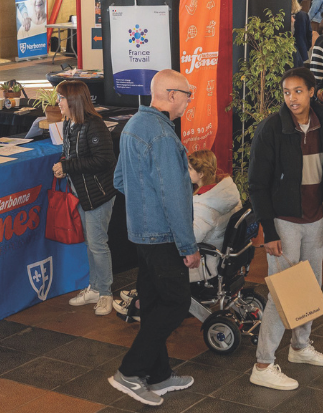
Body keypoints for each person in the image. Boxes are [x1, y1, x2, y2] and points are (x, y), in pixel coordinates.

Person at [248, 67, 323, 391]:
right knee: (282, 295)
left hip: (315, 220)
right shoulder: (271, 129)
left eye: (298, 91)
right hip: (285, 223)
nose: (292, 98)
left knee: (311, 288)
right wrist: (269, 232)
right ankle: (263, 364)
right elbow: (257, 185)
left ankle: (300, 347)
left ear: (312, 91)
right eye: (287, 92)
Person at [108, 70, 197, 406]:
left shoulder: (133, 125)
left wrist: (142, 203)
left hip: (140, 234)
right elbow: (174, 196)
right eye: (187, 95)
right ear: (171, 95)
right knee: (177, 302)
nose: (188, 102)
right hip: (162, 237)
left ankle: (158, 376)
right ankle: (130, 371)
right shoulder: (162, 135)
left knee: (155, 303)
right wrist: (187, 247)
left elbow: (119, 180)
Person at [52, 81, 118, 316]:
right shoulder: (70, 123)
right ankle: (95, 287)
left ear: (73, 100)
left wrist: (67, 166)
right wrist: (64, 166)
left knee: (98, 245)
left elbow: (104, 160)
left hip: (98, 195)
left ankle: (106, 293)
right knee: (91, 243)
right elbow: (73, 154)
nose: (57, 102)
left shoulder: (94, 125)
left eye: (60, 98)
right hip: (81, 194)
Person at [186, 150, 242, 283]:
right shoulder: (227, 191)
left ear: (201, 174)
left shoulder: (204, 205)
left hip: (206, 263)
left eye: (189, 168)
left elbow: (192, 239)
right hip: (224, 256)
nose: (186, 171)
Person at [292, 0, 312, 66]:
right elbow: (309, 32)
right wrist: (307, 46)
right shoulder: (304, 15)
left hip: (290, 49)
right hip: (302, 47)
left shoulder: (285, 15)